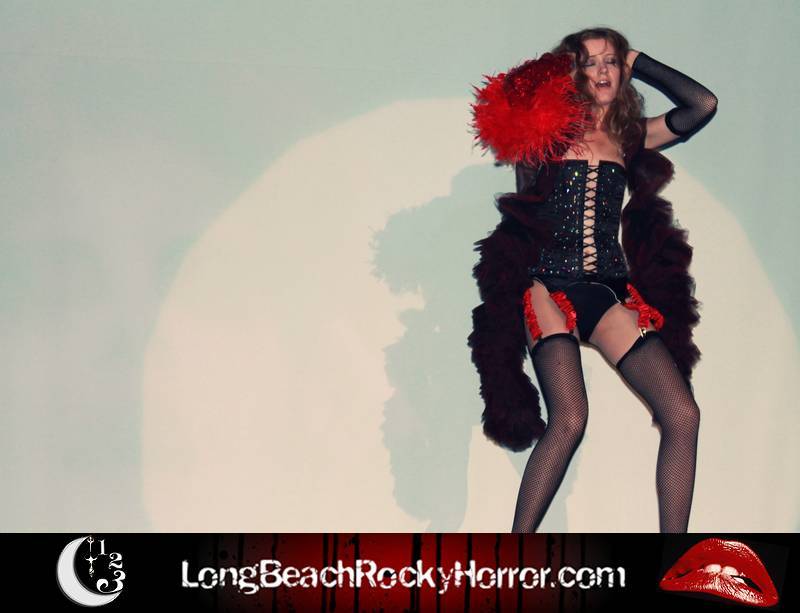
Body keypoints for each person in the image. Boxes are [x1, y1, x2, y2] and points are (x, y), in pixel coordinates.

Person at [467, 27, 718, 533]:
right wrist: (551, 81)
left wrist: (639, 58)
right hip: (546, 285)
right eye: (590, 62)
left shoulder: (630, 136)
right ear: (573, 73)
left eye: (611, 62)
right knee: (570, 419)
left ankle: (672, 558)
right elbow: (508, 110)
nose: (603, 71)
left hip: (606, 290)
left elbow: (702, 105)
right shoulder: (545, 134)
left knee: (683, 415)